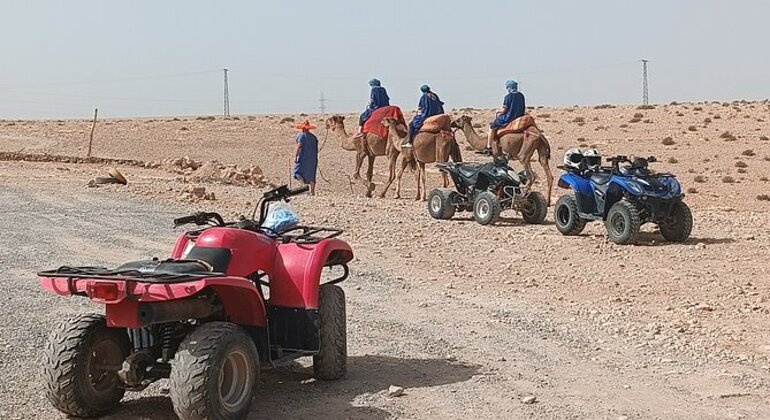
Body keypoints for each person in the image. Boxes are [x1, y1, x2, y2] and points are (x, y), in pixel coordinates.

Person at [485, 79, 526, 154]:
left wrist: (498, 111)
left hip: (509, 118)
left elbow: (504, 110)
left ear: (509, 87)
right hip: (519, 117)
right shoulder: (521, 95)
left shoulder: (508, 96)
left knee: (492, 126)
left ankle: (489, 147)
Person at [293, 120, 319, 195]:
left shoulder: (301, 136)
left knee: (297, 172)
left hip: (303, 158)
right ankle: (312, 191)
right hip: (313, 159)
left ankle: (304, 186)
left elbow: (299, 146)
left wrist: (296, 156)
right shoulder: (314, 137)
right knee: (311, 174)